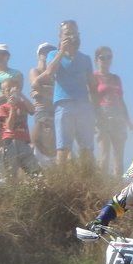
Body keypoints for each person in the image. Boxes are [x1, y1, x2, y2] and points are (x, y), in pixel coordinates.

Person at [37, 20, 96, 163]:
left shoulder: (85, 59)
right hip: (63, 104)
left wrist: (95, 109)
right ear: (60, 36)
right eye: (67, 33)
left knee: (87, 148)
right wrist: (62, 51)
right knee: (63, 147)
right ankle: (62, 175)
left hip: (83, 106)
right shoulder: (53, 55)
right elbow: (49, 73)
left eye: (74, 33)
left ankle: (88, 174)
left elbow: (92, 86)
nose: (71, 36)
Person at [93, 45, 133, 176]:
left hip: (118, 116)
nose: (106, 60)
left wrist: (128, 121)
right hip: (102, 115)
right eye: (102, 57)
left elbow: (121, 100)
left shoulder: (116, 78)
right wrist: (95, 117)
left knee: (119, 156)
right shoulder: (93, 77)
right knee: (104, 154)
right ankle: (102, 184)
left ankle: (118, 185)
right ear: (96, 60)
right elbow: (91, 99)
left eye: (109, 57)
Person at [0, 75, 40, 178]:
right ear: (3, 92)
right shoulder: (3, 107)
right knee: (11, 173)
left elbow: (33, 110)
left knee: (36, 173)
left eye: (13, 89)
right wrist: (12, 107)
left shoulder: (22, 104)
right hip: (10, 142)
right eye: (8, 90)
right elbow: (9, 127)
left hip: (23, 141)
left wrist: (21, 95)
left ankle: (39, 185)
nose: (11, 92)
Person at [28, 42, 56, 164]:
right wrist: (50, 91)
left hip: (54, 110)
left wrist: (41, 91)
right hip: (42, 109)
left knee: (54, 140)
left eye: (50, 51)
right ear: (39, 54)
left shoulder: (55, 73)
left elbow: (39, 89)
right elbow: (35, 84)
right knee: (40, 140)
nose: (47, 54)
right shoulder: (35, 70)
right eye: (44, 51)